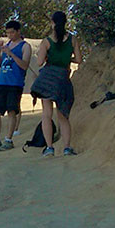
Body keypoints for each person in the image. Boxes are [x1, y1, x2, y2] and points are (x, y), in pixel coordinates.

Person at [30, 11, 82, 157]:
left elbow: (40, 62)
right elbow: (78, 59)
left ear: (52, 23)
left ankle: (49, 148)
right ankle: (66, 148)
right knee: (63, 116)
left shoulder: (47, 41)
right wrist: (66, 59)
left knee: (47, 115)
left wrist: (49, 56)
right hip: (63, 79)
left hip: (47, 79)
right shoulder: (73, 40)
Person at [0, 20, 32, 152]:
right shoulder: (7, 45)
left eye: (12, 32)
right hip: (2, 82)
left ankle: (8, 139)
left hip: (15, 83)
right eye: (8, 33)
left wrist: (11, 53)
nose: (10, 35)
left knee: (12, 111)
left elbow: (25, 65)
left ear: (18, 31)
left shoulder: (25, 46)